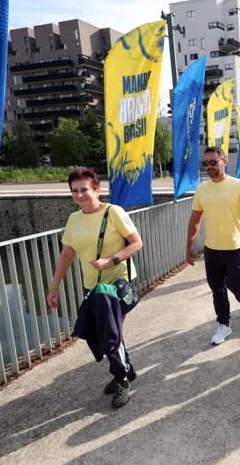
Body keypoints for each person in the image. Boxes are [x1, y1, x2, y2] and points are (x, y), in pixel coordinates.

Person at [46, 168, 143, 408]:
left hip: (116, 285)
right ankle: (126, 370)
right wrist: (54, 285)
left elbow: (137, 243)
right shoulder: (74, 219)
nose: (79, 195)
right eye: (74, 191)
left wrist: (111, 261)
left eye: (84, 190)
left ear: (97, 189)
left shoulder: (114, 213)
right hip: (92, 287)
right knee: (105, 332)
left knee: (108, 334)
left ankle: (121, 378)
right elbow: (67, 254)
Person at [187, 146, 240, 346]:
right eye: (205, 163)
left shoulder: (239, 186)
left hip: (235, 247)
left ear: (224, 162)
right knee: (217, 289)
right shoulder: (202, 189)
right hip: (212, 249)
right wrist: (189, 245)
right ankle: (224, 324)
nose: (209, 166)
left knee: (237, 285)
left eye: (213, 162)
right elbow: (195, 219)